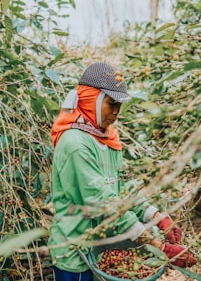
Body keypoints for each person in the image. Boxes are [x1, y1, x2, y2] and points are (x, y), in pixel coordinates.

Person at [48, 62, 197, 281]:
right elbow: (102, 201)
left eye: (120, 105)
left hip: (101, 244)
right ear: (92, 100)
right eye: (111, 104)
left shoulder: (108, 138)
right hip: (76, 254)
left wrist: (156, 216)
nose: (117, 112)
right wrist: (157, 246)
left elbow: (121, 190)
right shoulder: (75, 145)